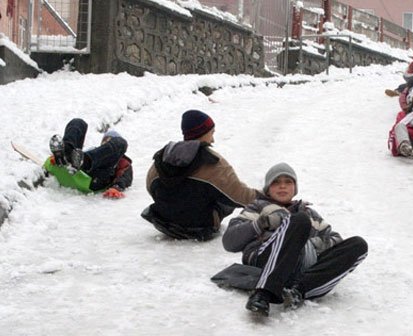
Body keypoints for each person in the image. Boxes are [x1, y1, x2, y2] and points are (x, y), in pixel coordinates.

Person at [222, 163, 368, 316]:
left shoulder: (308, 213)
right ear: (268, 188)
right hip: (265, 259)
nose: (282, 186)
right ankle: (263, 293)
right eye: (276, 182)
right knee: (299, 221)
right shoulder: (257, 207)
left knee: (358, 245)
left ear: (295, 188)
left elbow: (335, 239)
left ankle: (298, 292)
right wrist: (261, 223)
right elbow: (230, 242)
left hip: (301, 265)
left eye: (288, 182)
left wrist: (310, 244)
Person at [142, 109, 259, 241]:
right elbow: (240, 195)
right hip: (199, 227)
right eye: (211, 133)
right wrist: (273, 199)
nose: (213, 139)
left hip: (163, 220)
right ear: (202, 133)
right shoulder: (213, 162)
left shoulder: (163, 156)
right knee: (226, 198)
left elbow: (150, 186)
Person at [49, 118, 132, 198]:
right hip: (78, 167)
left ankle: (84, 161)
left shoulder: (122, 160)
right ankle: (65, 155)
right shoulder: (93, 151)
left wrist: (117, 187)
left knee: (122, 143)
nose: (106, 142)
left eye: (110, 141)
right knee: (78, 122)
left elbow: (126, 176)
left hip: (95, 179)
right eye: (105, 140)